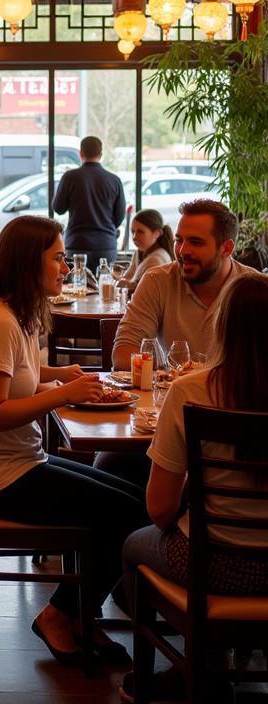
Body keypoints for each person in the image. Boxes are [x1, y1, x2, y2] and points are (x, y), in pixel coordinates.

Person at [0, 215, 149, 667]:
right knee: (130, 513)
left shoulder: (11, 315)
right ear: (27, 264)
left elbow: (20, 380)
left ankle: (80, 614)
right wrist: (63, 393)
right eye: (57, 258)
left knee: (133, 500)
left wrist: (61, 377)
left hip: (16, 462)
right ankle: (62, 616)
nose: (65, 267)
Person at [119, 272, 268, 703]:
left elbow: (160, 511)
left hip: (213, 561)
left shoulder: (191, 391)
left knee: (133, 547)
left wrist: (192, 493)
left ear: (221, 324)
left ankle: (183, 668)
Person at [112, 199, 257, 370]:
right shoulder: (157, 281)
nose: (182, 251)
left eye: (196, 242)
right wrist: (169, 375)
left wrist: (200, 380)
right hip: (173, 394)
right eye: (179, 240)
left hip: (235, 396)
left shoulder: (255, 288)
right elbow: (122, 353)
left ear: (226, 248)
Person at [52, 135, 126, 274]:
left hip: (77, 243)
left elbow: (58, 208)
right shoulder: (114, 180)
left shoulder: (70, 178)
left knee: (76, 288)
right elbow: (119, 216)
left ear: (81, 153)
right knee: (104, 288)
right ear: (101, 154)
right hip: (105, 244)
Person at [116, 209, 173, 294]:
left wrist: (124, 283)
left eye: (140, 232)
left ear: (157, 233)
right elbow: (127, 279)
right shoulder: (139, 252)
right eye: (133, 232)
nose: (134, 237)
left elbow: (145, 292)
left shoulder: (157, 259)